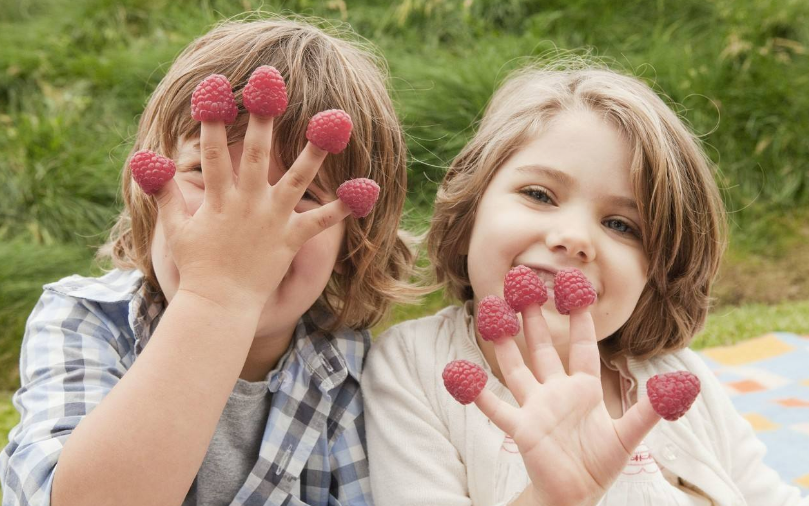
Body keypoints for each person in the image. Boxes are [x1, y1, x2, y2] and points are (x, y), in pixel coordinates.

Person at [0, 16, 417, 506]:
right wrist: (219, 297)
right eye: (204, 171)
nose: (243, 220)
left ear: (352, 243)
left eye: (299, 192)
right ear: (149, 195)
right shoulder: (84, 320)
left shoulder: (357, 374)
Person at [362, 58, 809, 505]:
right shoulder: (412, 366)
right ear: (467, 215)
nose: (575, 238)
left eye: (621, 225)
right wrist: (550, 498)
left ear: (655, 279)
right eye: (539, 195)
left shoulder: (676, 375)